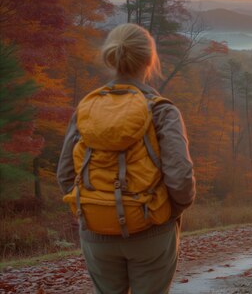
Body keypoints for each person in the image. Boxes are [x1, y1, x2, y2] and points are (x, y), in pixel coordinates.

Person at [56, 23, 195, 293]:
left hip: (96, 233)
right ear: (149, 60)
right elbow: (180, 179)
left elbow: (65, 175)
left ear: (111, 56)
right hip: (151, 230)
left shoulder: (87, 107)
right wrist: (169, 214)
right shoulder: (161, 110)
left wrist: (93, 209)